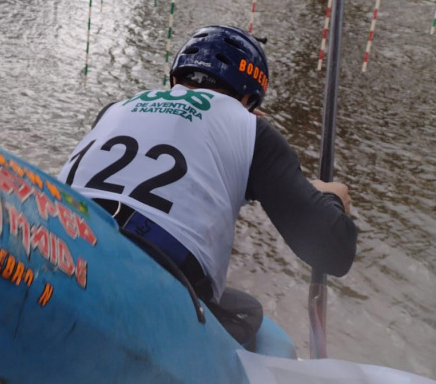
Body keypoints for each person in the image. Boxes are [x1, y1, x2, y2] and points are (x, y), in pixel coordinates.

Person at [57, 26, 357, 350]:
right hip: (152, 283)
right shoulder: (251, 129)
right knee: (249, 315)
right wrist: (330, 198)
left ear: (174, 80)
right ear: (249, 100)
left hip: (59, 239)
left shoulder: (115, 110)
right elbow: (333, 252)